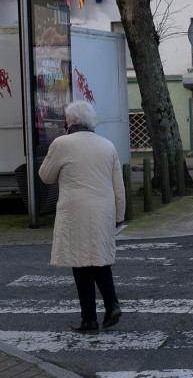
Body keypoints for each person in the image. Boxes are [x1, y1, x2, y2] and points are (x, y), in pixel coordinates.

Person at [38, 101, 126, 334]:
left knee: (80, 262)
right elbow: (119, 186)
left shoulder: (62, 143)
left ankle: (89, 319)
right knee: (98, 257)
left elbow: (45, 176)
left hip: (76, 210)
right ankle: (112, 304)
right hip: (103, 209)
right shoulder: (107, 145)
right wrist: (119, 216)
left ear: (70, 121)